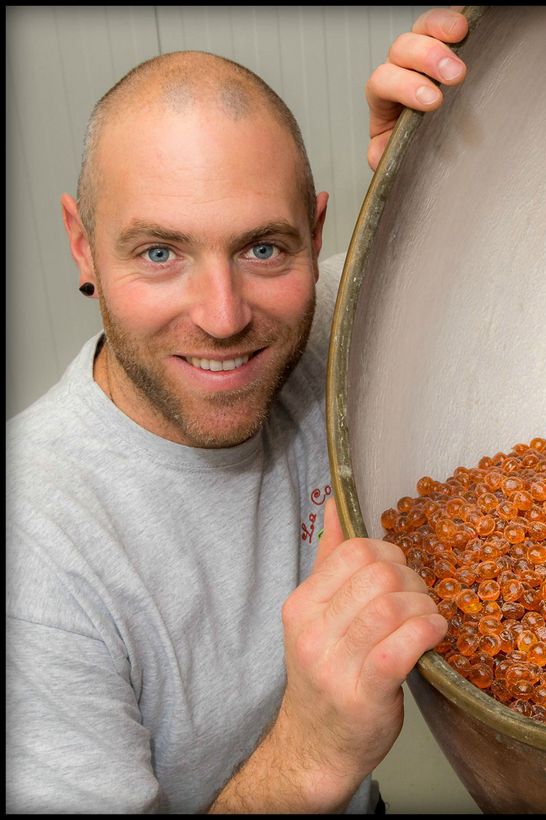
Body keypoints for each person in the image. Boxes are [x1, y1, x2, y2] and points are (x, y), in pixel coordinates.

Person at [5, 8, 468, 814]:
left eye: (263, 249)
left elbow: (516, 281)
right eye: (159, 253)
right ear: (83, 246)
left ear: (314, 232)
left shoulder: (324, 326)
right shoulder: (34, 551)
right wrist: (313, 754)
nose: (223, 317)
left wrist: (436, 169)